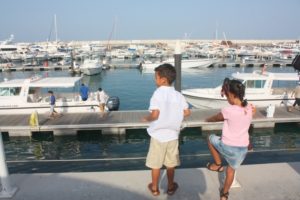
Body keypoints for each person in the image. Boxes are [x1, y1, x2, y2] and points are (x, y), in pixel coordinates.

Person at [142, 63, 191, 196]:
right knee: (170, 164)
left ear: (163, 80)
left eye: (156, 77)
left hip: (158, 135)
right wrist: (175, 115)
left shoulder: (157, 94)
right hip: (173, 136)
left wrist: (146, 118)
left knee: (156, 164)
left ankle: (155, 188)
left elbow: (155, 115)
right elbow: (187, 112)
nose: (154, 79)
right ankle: (170, 187)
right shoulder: (178, 95)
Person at [205, 78, 255, 200]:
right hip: (242, 150)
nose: (227, 99)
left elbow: (216, 118)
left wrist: (207, 119)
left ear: (232, 95)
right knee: (230, 172)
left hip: (228, 146)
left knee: (210, 138)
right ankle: (225, 194)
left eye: (227, 96)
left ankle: (217, 165)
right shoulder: (249, 108)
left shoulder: (228, 110)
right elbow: (247, 118)